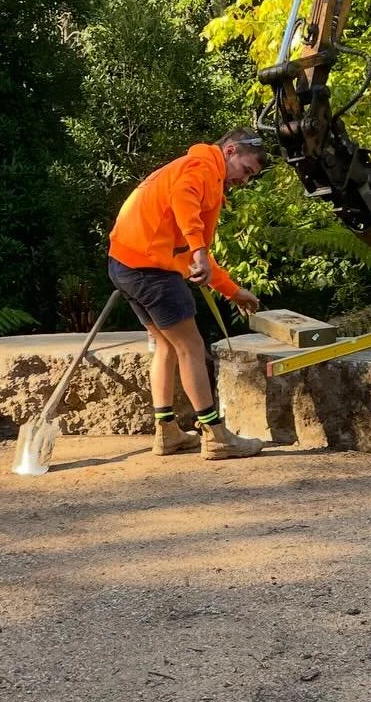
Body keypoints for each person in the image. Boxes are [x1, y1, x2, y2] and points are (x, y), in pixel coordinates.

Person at [108, 131, 267, 459]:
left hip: (125, 263)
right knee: (191, 348)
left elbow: (199, 253)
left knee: (166, 346)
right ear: (230, 149)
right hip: (149, 270)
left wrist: (233, 291)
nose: (244, 180)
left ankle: (166, 432)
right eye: (246, 170)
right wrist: (196, 249)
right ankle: (216, 436)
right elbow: (185, 206)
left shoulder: (196, 169)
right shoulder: (201, 168)